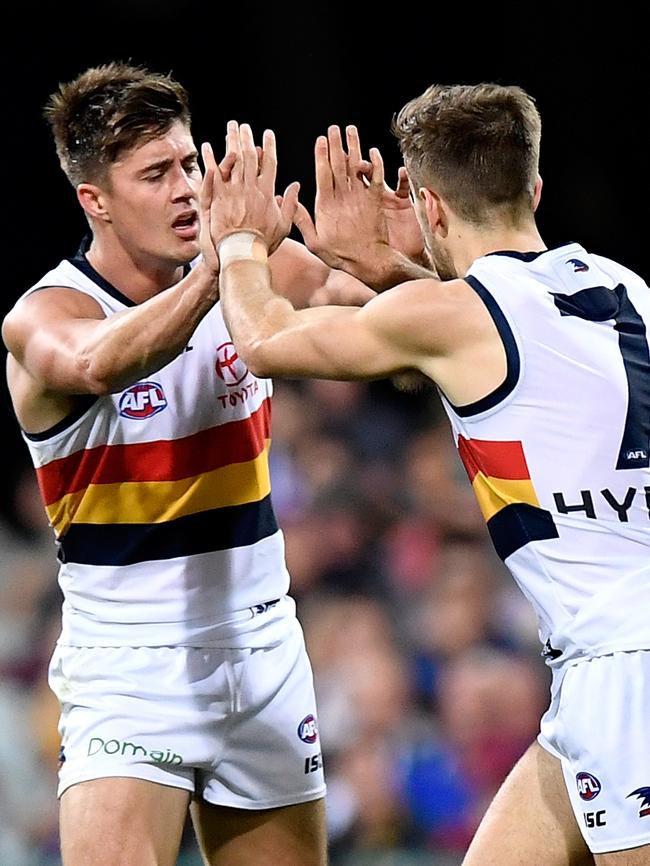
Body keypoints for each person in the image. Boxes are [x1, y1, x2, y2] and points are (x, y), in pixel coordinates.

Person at [198, 86, 650, 866]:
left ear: (430, 206)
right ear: (534, 187)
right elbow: (495, 334)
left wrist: (238, 241)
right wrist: (391, 267)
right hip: (594, 671)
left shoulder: (453, 316)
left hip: (626, 672)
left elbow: (267, 341)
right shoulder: (622, 287)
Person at [0, 61, 422, 866]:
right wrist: (224, 267)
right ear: (95, 200)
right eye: (156, 175)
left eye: (190, 164)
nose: (186, 189)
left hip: (262, 650)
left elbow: (410, 357)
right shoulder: (47, 314)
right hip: (128, 668)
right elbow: (97, 363)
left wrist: (399, 267)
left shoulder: (262, 271)